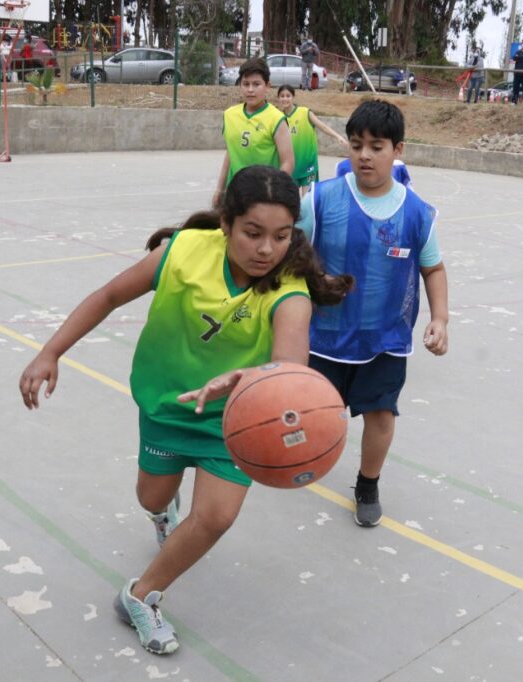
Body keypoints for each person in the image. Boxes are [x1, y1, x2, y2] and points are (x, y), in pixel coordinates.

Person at [18, 165, 352, 656]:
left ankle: (140, 596)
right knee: (151, 496)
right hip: (167, 406)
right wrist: (50, 352)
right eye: (253, 234)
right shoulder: (181, 252)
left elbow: (288, 371)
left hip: (237, 422)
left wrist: (240, 380)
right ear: (226, 224)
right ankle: (161, 515)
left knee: (216, 517)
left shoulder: (290, 290)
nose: (266, 250)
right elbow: (109, 295)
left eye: (281, 237)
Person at [297, 100, 449, 527]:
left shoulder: (418, 212)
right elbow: (294, 256)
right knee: (313, 414)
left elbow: (433, 269)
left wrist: (440, 319)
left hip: (385, 338)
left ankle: (368, 482)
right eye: (357, 145)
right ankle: (290, 459)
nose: (364, 155)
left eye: (376, 146)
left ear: (397, 150)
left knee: (381, 414)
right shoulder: (321, 200)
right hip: (323, 335)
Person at [214, 58, 294, 207]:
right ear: (240, 85)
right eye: (246, 84)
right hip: (235, 193)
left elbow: (288, 162)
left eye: (256, 84)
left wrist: (273, 193)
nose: (250, 90)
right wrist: (220, 188)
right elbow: (230, 153)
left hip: (263, 197)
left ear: (267, 86)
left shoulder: (276, 119)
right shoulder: (229, 115)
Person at [276, 85, 348, 195]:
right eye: (282, 96)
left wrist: (337, 136)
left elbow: (322, 126)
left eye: (288, 96)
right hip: (291, 166)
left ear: (293, 97)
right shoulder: (278, 118)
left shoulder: (305, 112)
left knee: (307, 201)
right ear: (278, 98)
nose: (285, 99)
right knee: (292, 203)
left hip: (307, 164)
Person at [335, 157, 413, 189]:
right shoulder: (343, 167)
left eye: (377, 148)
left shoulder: (398, 166)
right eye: (357, 146)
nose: (365, 155)